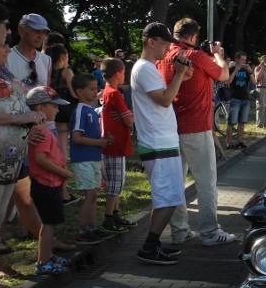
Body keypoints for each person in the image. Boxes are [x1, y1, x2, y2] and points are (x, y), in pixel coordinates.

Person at [157, 18, 235, 248]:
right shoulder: (196, 56)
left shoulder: (165, 57)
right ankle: (210, 231)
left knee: (176, 182)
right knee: (206, 181)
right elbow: (222, 75)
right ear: (193, 37)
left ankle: (180, 232)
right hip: (197, 127)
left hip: (172, 126)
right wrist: (218, 53)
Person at [0, 2, 50, 288]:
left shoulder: (1, 64)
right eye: (2, 25)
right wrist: (21, 119)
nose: (5, 31)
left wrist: (33, 121)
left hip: (11, 153)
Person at [131, 22, 191, 264]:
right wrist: (177, 74)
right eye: (165, 44)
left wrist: (181, 77)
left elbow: (163, 97)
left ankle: (153, 244)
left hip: (160, 141)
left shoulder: (148, 68)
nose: (168, 49)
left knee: (168, 196)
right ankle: (149, 247)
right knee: (169, 197)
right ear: (151, 42)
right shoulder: (144, 68)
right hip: (157, 142)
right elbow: (166, 100)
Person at [26, 87, 75, 275]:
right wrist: (62, 171)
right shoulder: (42, 131)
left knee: (50, 223)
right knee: (48, 224)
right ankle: (43, 261)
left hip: (48, 183)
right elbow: (40, 159)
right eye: (54, 106)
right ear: (40, 107)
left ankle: (48, 255)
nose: (57, 110)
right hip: (46, 184)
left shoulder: (41, 129)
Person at [69, 74, 117, 243]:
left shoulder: (90, 110)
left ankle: (92, 228)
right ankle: (83, 231)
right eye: (91, 88)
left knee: (93, 195)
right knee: (89, 195)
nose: (95, 91)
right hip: (83, 159)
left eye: (96, 87)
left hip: (93, 157)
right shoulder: (81, 110)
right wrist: (99, 142)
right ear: (79, 92)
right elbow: (76, 137)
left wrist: (104, 140)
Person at [99, 58, 137, 232]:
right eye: (123, 73)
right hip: (116, 144)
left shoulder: (108, 91)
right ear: (117, 74)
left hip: (113, 142)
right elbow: (128, 120)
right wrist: (132, 115)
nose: (124, 76)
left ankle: (115, 214)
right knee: (115, 183)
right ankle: (108, 218)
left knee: (117, 181)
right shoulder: (114, 93)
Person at [46, 44, 79, 204]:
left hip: (55, 113)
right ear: (64, 56)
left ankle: (61, 190)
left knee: (58, 150)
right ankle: (64, 192)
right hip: (68, 113)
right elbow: (75, 93)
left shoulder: (48, 71)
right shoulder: (67, 72)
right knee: (64, 154)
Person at [225, 51, 252, 150]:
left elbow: (254, 82)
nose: (244, 62)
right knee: (231, 122)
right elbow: (227, 82)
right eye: (242, 60)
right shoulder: (232, 69)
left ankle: (240, 141)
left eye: (245, 60)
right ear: (237, 59)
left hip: (245, 99)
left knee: (242, 122)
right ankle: (228, 143)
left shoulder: (246, 70)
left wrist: (251, 72)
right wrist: (235, 70)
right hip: (235, 98)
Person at [253, 55, 266, 128]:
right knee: (260, 106)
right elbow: (257, 78)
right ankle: (259, 124)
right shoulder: (258, 68)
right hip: (261, 88)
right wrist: (262, 67)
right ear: (261, 60)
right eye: (265, 60)